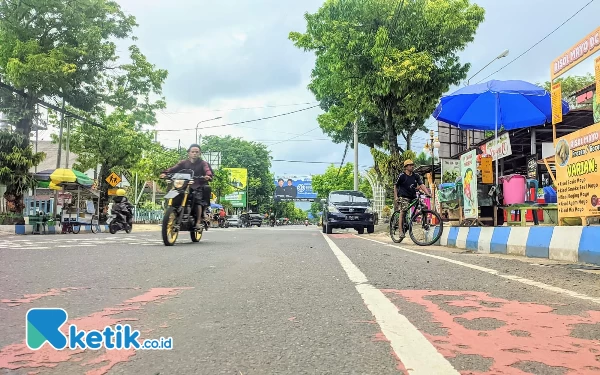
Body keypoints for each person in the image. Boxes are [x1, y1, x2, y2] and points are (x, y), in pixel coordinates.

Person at [160, 144, 213, 230]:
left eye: (196, 152)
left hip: (197, 185)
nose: (194, 153)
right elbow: (173, 169)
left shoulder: (203, 163)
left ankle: (198, 221)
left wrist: (207, 175)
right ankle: (171, 215)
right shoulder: (183, 163)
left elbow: (207, 170)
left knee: (197, 200)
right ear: (189, 153)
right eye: (192, 152)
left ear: (200, 153)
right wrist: (165, 173)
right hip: (183, 185)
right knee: (173, 195)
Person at [394, 159, 430, 239]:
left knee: (424, 207)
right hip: (403, 197)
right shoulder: (402, 176)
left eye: (412, 165)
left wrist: (428, 193)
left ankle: (424, 224)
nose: (412, 166)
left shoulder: (415, 176)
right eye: (410, 165)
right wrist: (396, 197)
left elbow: (421, 185)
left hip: (413, 197)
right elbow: (395, 186)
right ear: (406, 167)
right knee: (403, 211)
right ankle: (400, 231)